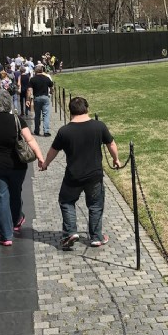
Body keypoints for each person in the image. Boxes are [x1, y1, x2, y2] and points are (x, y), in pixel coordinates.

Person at [40, 96, 120, 249]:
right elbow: (111, 143)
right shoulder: (99, 126)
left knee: (66, 201)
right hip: (94, 175)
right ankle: (96, 237)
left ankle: (70, 232)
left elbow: (53, 151)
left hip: (73, 176)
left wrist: (45, 164)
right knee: (95, 205)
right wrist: (116, 159)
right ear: (87, 109)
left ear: (70, 111)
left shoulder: (65, 131)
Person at [0, 89, 44, 246]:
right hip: (16, 164)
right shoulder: (17, 120)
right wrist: (40, 157)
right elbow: (30, 140)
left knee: (0, 199)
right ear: (8, 103)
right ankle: (16, 220)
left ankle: (6, 236)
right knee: (15, 193)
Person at [28, 63, 53, 137]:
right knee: (46, 115)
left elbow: (29, 90)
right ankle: (46, 131)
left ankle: (36, 130)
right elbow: (51, 86)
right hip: (45, 97)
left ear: (35, 72)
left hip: (37, 98)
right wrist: (51, 92)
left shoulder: (32, 79)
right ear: (42, 70)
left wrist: (29, 99)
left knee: (37, 115)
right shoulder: (46, 78)